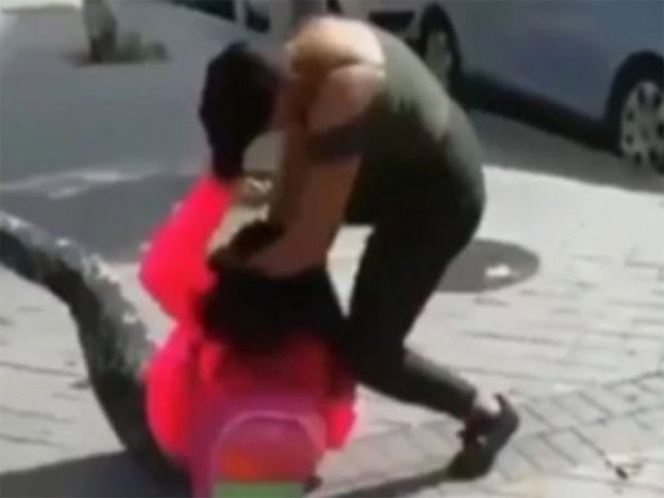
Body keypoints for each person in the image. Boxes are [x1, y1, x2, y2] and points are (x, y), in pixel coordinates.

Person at [204, 17, 519, 475]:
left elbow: (307, 246)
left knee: (369, 352)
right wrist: (242, 258)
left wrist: (230, 279)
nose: (273, 137)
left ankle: (487, 412)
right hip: (394, 174)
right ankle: (307, 409)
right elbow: (287, 211)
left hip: (441, 196)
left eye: (266, 129)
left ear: (279, 97)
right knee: (280, 266)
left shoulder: (342, 91)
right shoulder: (294, 69)